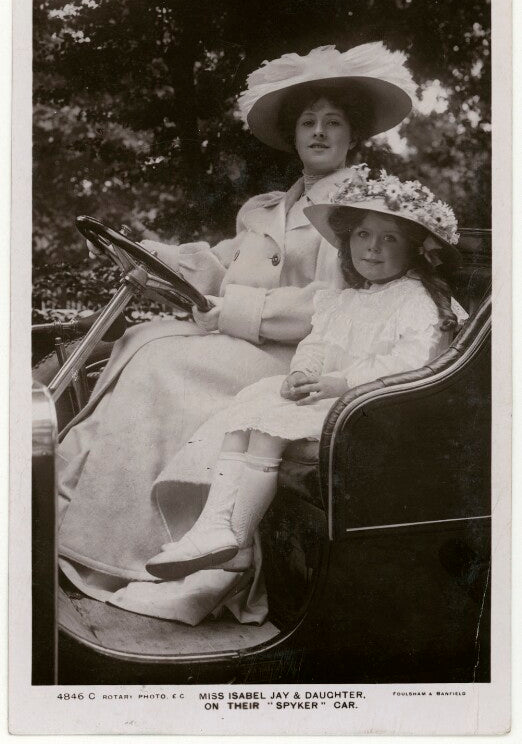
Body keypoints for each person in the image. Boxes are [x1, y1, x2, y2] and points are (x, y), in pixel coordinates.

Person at [56, 43, 417, 625]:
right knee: (142, 341)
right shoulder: (266, 207)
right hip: (240, 348)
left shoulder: (358, 214)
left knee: (162, 364)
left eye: (333, 122)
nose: (319, 132)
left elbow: (333, 307)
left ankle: (131, 555)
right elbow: (220, 266)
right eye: (308, 122)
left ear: (354, 136)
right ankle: (75, 527)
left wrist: (229, 313)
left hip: (296, 363)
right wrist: (154, 258)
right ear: (294, 135)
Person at [144, 170, 468, 582]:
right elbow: (317, 343)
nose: (372, 248)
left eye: (390, 239)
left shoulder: (417, 298)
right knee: (247, 413)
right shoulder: (344, 299)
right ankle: (215, 529)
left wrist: (339, 383)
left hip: (380, 406)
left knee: (268, 429)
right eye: (363, 235)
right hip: (337, 397)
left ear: (415, 251)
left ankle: (236, 537)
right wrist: (303, 371)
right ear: (348, 241)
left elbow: (411, 362)